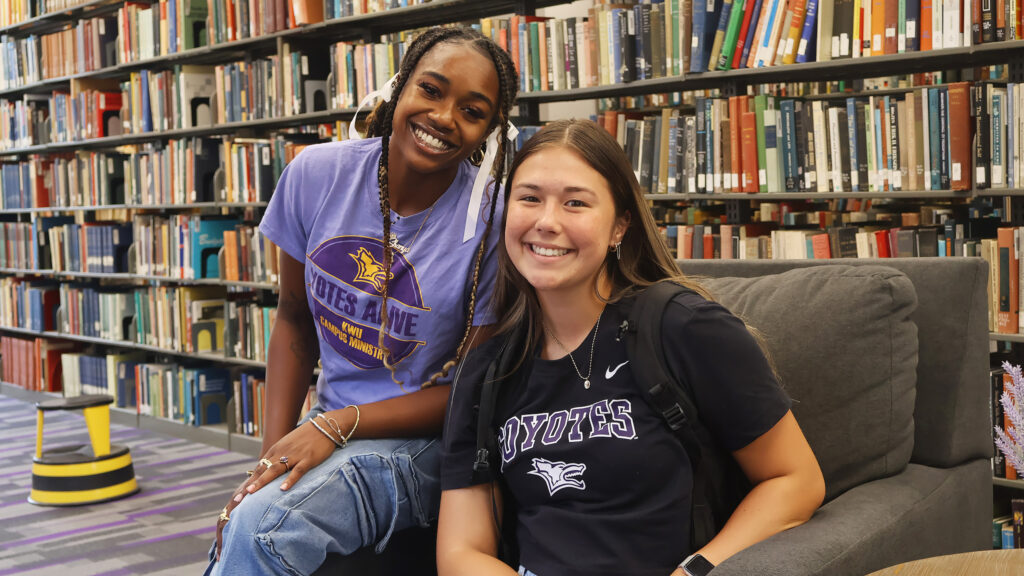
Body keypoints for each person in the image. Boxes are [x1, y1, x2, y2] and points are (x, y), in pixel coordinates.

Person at [437, 119, 825, 576]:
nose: (546, 221)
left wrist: (695, 571)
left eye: (576, 203)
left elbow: (795, 481)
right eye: (529, 198)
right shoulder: (487, 371)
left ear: (619, 227)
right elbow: (461, 550)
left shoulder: (684, 327)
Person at [206, 26, 519, 576]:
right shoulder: (316, 174)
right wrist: (269, 457)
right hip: (332, 419)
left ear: (491, 130)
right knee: (250, 515)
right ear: (398, 89)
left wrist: (336, 425)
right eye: (431, 90)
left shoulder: (493, 220)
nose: (445, 117)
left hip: (425, 440)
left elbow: (472, 393)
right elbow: (294, 325)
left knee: (263, 528)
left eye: (472, 111)